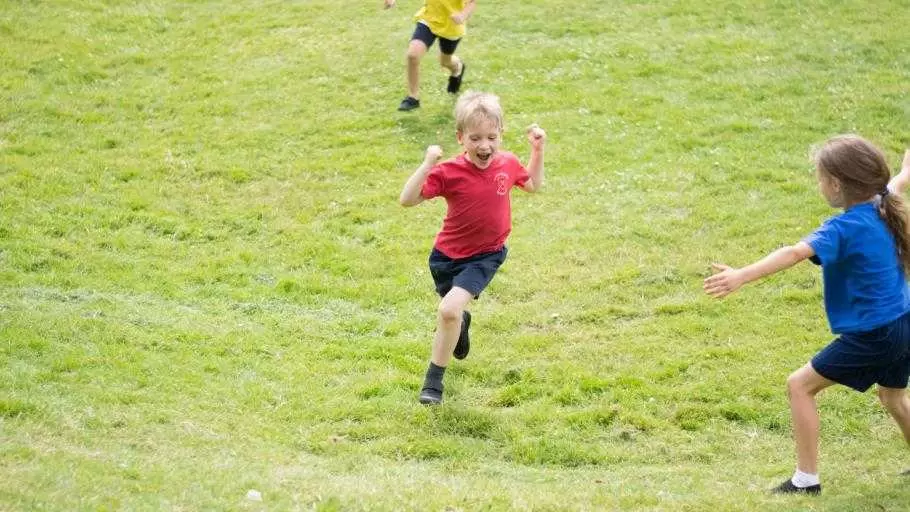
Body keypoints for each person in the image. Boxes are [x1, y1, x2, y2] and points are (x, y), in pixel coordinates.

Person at [704, 136, 910, 495]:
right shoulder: (882, 203)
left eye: (820, 178)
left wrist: (740, 275)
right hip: (904, 322)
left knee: (800, 386)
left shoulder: (842, 228)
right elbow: (894, 185)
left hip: (875, 333)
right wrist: (906, 172)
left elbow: (794, 253)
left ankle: (805, 480)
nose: (819, 185)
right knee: (892, 397)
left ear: (835, 184)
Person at [399, 91, 546, 404]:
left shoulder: (507, 163)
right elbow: (407, 200)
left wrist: (537, 149)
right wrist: (427, 164)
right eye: (475, 138)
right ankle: (460, 322)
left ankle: (433, 384)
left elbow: (533, 185)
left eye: (492, 137)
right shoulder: (449, 172)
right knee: (453, 315)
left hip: (486, 255)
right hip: (444, 260)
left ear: (501, 134)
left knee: (447, 310)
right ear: (461, 138)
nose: (485, 146)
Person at [384, 0, 475, 111]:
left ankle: (458, 69)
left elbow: (471, 2)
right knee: (413, 55)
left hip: (451, 25)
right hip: (429, 19)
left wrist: (462, 15)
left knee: (445, 61)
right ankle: (413, 98)